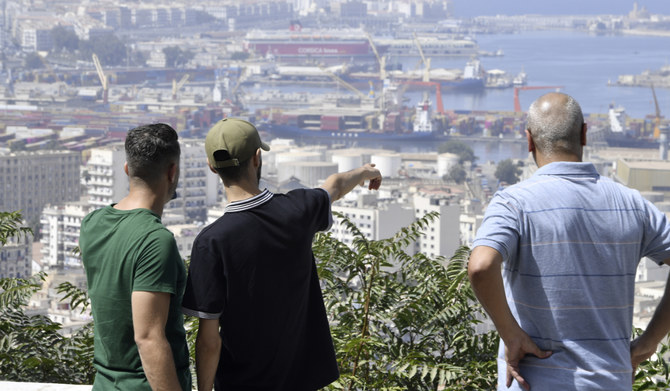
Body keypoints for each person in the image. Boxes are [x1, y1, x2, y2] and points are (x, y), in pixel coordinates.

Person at [468, 92, 670, 390]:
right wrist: (649, 341)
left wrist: (511, 334)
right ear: (584, 134)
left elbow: (481, 267)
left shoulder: (513, 203)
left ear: (529, 141)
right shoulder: (632, 204)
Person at [181, 118, 382, 391]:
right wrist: (364, 172)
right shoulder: (297, 210)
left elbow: (208, 339)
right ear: (257, 158)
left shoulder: (211, 241)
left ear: (211, 167)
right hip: (301, 380)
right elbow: (334, 185)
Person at [80, 123, 191, 391]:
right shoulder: (155, 240)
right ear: (172, 172)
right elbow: (149, 338)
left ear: (128, 169)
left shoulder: (92, 223)